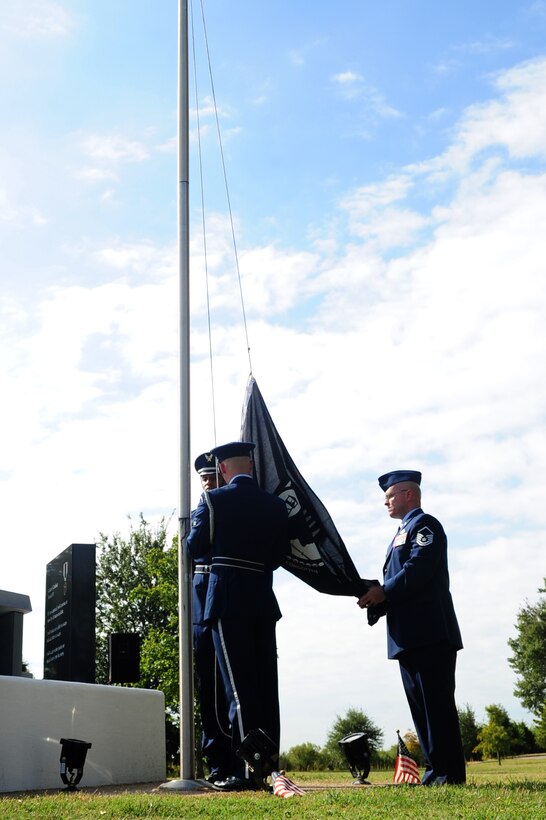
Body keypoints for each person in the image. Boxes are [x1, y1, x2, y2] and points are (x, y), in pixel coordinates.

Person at [186, 441, 290, 791]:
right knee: (264, 686)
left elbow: (193, 547)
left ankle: (250, 770)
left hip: (227, 600)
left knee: (239, 689)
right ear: (250, 466)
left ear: (224, 470)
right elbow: (278, 556)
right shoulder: (275, 506)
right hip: (261, 597)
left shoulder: (213, 501)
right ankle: (271, 766)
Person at [358, 470, 466, 785]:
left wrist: (384, 592)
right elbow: (399, 578)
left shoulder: (425, 525)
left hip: (430, 633)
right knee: (421, 709)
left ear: (409, 494)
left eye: (390, 496)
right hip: (407, 636)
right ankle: (436, 771)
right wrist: (373, 596)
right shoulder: (399, 534)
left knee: (437, 706)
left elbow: (417, 569)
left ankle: (449, 774)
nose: (385, 503)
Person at [191, 452, 233, 784]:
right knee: (208, 686)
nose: (207, 483)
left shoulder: (224, 508)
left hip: (223, 601)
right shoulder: (199, 511)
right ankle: (216, 759)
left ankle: (233, 758)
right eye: (203, 479)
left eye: (212, 478)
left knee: (229, 684)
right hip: (199, 605)